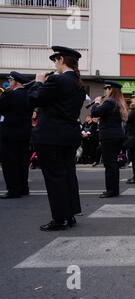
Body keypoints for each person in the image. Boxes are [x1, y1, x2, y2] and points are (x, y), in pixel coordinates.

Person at [28, 46, 85, 231]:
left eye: (55, 61)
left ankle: (60, 218)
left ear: (61, 60)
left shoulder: (57, 80)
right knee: (67, 174)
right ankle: (69, 214)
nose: (54, 65)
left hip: (51, 135)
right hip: (68, 135)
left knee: (54, 177)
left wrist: (38, 82)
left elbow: (35, 99)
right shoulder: (77, 83)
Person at [91, 81, 127, 198]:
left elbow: (94, 113)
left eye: (106, 88)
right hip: (115, 136)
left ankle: (111, 190)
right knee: (113, 164)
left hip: (109, 137)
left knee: (109, 164)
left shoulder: (109, 102)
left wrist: (96, 103)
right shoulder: (116, 102)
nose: (105, 91)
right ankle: (113, 189)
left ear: (111, 90)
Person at [0, 71, 33, 199]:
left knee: (10, 162)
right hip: (24, 132)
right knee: (22, 161)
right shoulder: (29, 95)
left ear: (16, 82)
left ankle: (13, 189)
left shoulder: (10, 95)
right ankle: (23, 187)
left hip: (10, 133)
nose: (9, 83)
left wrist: (5, 94)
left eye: (10, 81)